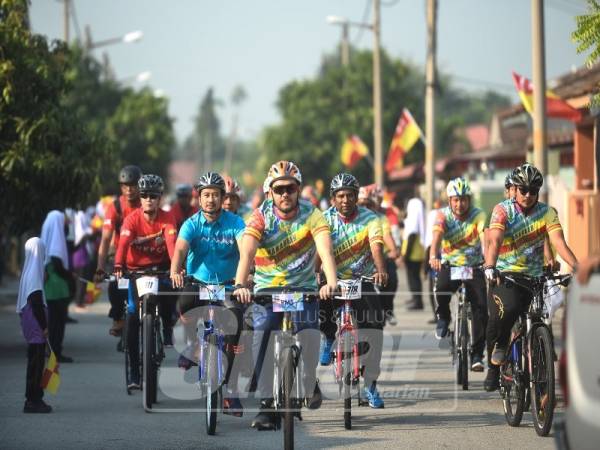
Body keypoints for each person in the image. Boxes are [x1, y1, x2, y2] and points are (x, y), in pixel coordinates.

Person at [233, 160, 338, 431]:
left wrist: (331, 282)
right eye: (279, 189)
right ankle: (267, 404)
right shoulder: (259, 216)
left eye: (290, 188)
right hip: (267, 290)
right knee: (261, 335)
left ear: (298, 189)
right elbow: (247, 252)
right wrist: (240, 284)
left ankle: (308, 377)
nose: (285, 195)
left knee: (311, 334)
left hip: (303, 289)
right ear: (270, 192)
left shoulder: (313, 214)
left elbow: (325, 250)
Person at [484, 163, 578, 391]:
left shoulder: (547, 212)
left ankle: (540, 369)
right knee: (509, 309)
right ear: (514, 189)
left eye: (533, 191)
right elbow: (495, 240)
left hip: (534, 277)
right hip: (506, 274)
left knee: (540, 318)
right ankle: (495, 363)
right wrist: (490, 265)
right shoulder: (502, 210)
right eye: (523, 189)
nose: (528, 195)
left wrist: (578, 267)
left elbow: (559, 244)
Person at [170, 172, 246, 416]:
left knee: (237, 323)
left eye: (215, 195)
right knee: (183, 304)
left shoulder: (235, 222)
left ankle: (231, 391)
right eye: (206, 195)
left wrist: (247, 275)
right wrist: (175, 271)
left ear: (223, 198)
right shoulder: (191, 224)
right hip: (197, 281)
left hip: (229, 283)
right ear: (199, 198)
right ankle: (191, 345)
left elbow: (246, 249)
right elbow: (180, 249)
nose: (211, 200)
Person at [319, 173, 389, 408]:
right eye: (340, 196)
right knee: (319, 300)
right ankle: (329, 337)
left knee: (375, 328)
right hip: (334, 279)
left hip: (363, 280)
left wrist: (380, 270)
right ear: (333, 199)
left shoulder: (371, 218)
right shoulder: (324, 220)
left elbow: (376, 246)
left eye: (350, 195)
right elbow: (320, 251)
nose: (345, 200)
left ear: (356, 196)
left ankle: (370, 385)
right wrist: (316, 274)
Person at [114, 174, 178, 389]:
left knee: (172, 289)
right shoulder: (132, 218)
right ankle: (134, 371)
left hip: (160, 269)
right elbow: (123, 244)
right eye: (144, 196)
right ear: (140, 199)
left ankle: (168, 326)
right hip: (136, 271)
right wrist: (117, 265)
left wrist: (176, 269)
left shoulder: (167, 218)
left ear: (160, 198)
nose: (149, 199)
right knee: (132, 316)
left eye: (153, 196)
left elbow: (171, 244)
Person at [429, 178, 488, 371]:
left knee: (481, 307)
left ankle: (478, 354)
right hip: (450, 264)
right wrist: (433, 256)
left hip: (474, 266)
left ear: (469, 200)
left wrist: (488, 261)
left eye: (463, 199)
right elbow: (436, 237)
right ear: (449, 200)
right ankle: (444, 317)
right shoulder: (442, 215)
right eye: (455, 200)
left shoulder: (479, 215)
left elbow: (484, 239)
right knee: (441, 289)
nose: (459, 204)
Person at [94, 165, 142, 338]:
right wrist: (100, 267)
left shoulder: (146, 203)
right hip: (119, 257)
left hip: (143, 256)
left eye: (133, 185)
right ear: (121, 187)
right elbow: (106, 239)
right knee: (114, 286)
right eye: (125, 185)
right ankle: (118, 318)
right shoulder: (114, 207)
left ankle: (156, 320)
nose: (129, 189)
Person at [17, 237, 52, 413]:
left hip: (32, 323)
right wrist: (45, 326)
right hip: (36, 324)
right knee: (36, 363)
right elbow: (36, 301)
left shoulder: (30, 272)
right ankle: (33, 400)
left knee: (35, 361)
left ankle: (35, 397)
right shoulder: (33, 275)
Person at [41, 210, 75, 363]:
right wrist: (69, 276)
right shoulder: (55, 233)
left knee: (53, 321)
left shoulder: (48, 227)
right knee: (57, 322)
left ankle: (52, 351)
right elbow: (56, 259)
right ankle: (56, 352)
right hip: (56, 285)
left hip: (50, 282)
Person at [401, 197, 426, 310]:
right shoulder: (416, 219)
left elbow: (411, 238)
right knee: (414, 278)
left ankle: (417, 301)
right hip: (416, 254)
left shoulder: (413, 222)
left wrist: (405, 255)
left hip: (412, 255)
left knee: (413, 278)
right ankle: (415, 298)